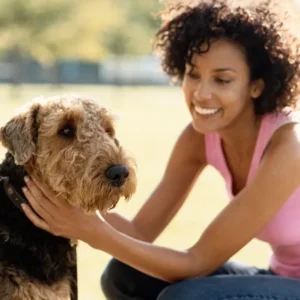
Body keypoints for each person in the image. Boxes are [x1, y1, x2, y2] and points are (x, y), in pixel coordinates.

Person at [21, 0, 300, 299]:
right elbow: (140, 234)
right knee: (123, 275)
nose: (201, 93)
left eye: (222, 79)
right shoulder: (199, 138)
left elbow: (196, 263)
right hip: (280, 276)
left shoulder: (290, 146)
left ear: (256, 86)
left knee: (184, 297)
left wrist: (90, 231)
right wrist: (60, 202)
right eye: (193, 74)